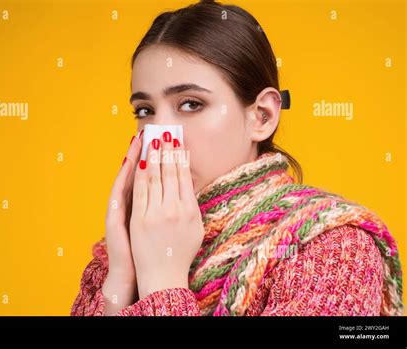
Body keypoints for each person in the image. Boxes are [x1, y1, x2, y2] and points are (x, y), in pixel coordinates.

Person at [71, 0, 403, 316]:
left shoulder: (334, 248)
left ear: (261, 116)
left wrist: (161, 282)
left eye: (191, 104)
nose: (160, 136)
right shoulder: (124, 253)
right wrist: (121, 280)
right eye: (145, 110)